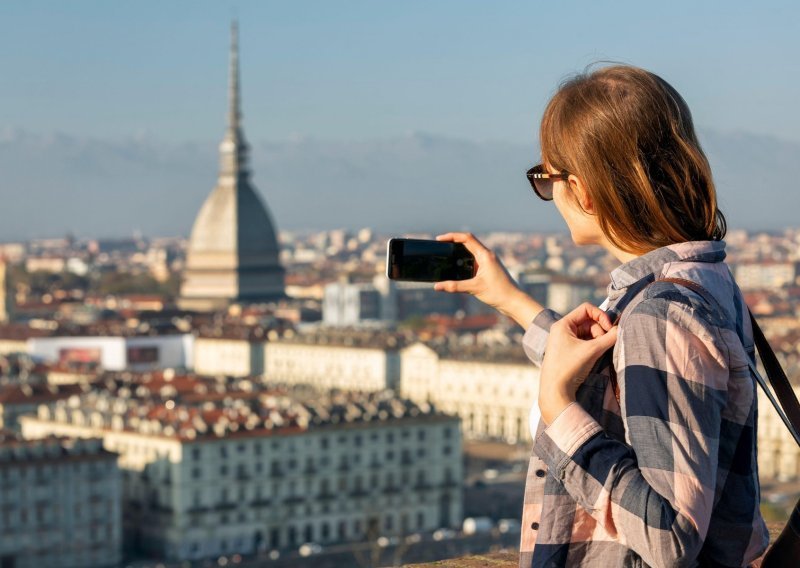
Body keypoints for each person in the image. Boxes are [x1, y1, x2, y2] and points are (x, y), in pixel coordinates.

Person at [435, 65, 769, 567]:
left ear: (584, 190)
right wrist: (508, 298)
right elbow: (616, 374)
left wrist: (558, 407)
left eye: (546, 180)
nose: (550, 197)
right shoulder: (701, 279)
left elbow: (671, 538)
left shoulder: (661, 316)